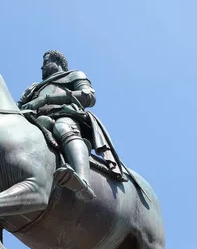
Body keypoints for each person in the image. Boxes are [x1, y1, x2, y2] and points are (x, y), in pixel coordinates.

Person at [18, 50, 122, 201]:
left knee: (62, 128)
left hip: (64, 115)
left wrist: (46, 99)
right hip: (35, 120)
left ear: (58, 62)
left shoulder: (74, 75)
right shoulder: (34, 88)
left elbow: (89, 96)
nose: (42, 68)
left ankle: (83, 181)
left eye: (46, 62)